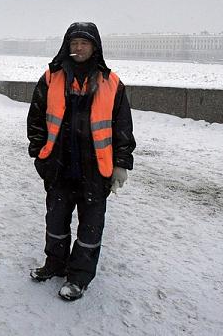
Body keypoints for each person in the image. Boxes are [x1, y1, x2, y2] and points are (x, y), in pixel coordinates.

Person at [27, 22, 135, 301]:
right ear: (67, 45)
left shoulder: (111, 82)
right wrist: (39, 154)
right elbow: (36, 118)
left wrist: (121, 163)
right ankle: (54, 264)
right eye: (74, 42)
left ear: (95, 47)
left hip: (95, 170)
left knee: (90, 228)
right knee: (55, 221)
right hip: (59, 167)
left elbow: (122, 126)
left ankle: (79, 277)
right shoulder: (52, 77)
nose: (78, 48)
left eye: (84, 43)